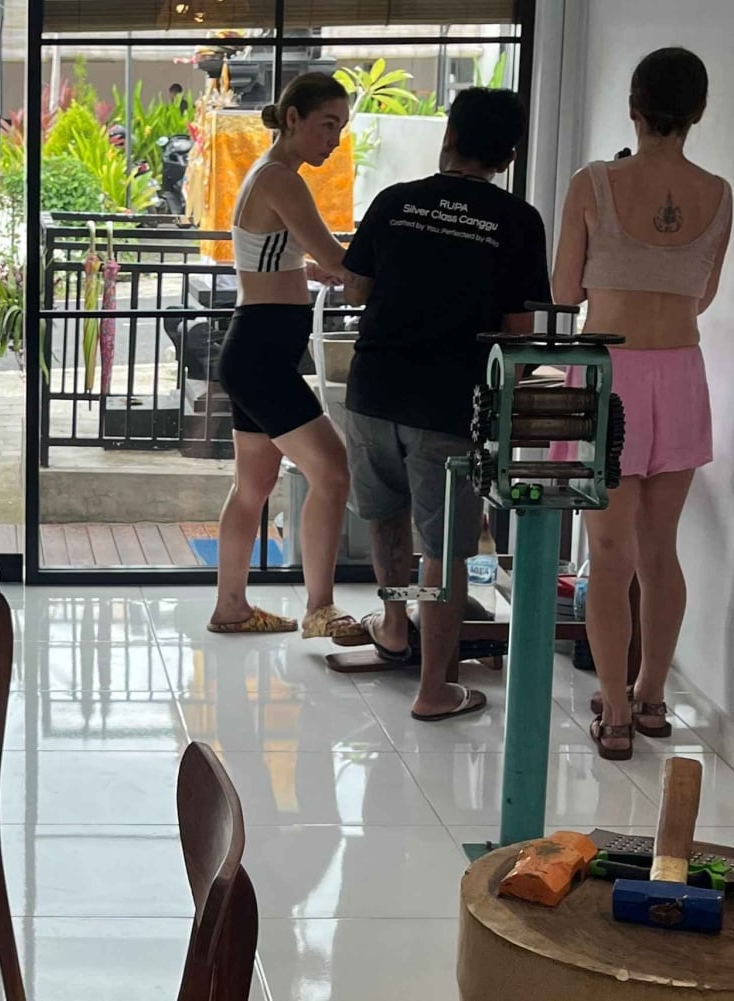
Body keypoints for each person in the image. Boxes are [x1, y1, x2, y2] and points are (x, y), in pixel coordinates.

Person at [341, 87, 549, 721]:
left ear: (449, 135)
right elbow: (518, 334)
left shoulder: (395, 201)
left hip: (373, 389)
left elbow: (355, 289)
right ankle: (433, 689)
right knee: (444, 548)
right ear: (507, 157)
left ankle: (394, 626)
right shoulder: (518, 221)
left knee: (386, 518)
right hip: (448, 405)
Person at [552, 47, 730, 759]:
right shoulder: (719, 193)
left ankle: (616, 711)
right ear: (699, 111)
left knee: (609, 552)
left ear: (633, 104)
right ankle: (653, 698)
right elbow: (703, 294)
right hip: (681, 370)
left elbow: (564, 291)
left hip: (608, 372)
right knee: (662, 550)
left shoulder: (594, 182)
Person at [209, 72, 361, 639]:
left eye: (341, 129)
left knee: (252, 487)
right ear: (293, 119)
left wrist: (313, 271)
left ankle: (231, 607)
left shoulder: (267, 174)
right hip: (263, 356)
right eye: (327, 125)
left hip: (254, 349)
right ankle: (320, 608)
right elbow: (338, 257)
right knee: (334, 473)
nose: (334, 141)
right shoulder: (281, 179)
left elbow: (276, 257)